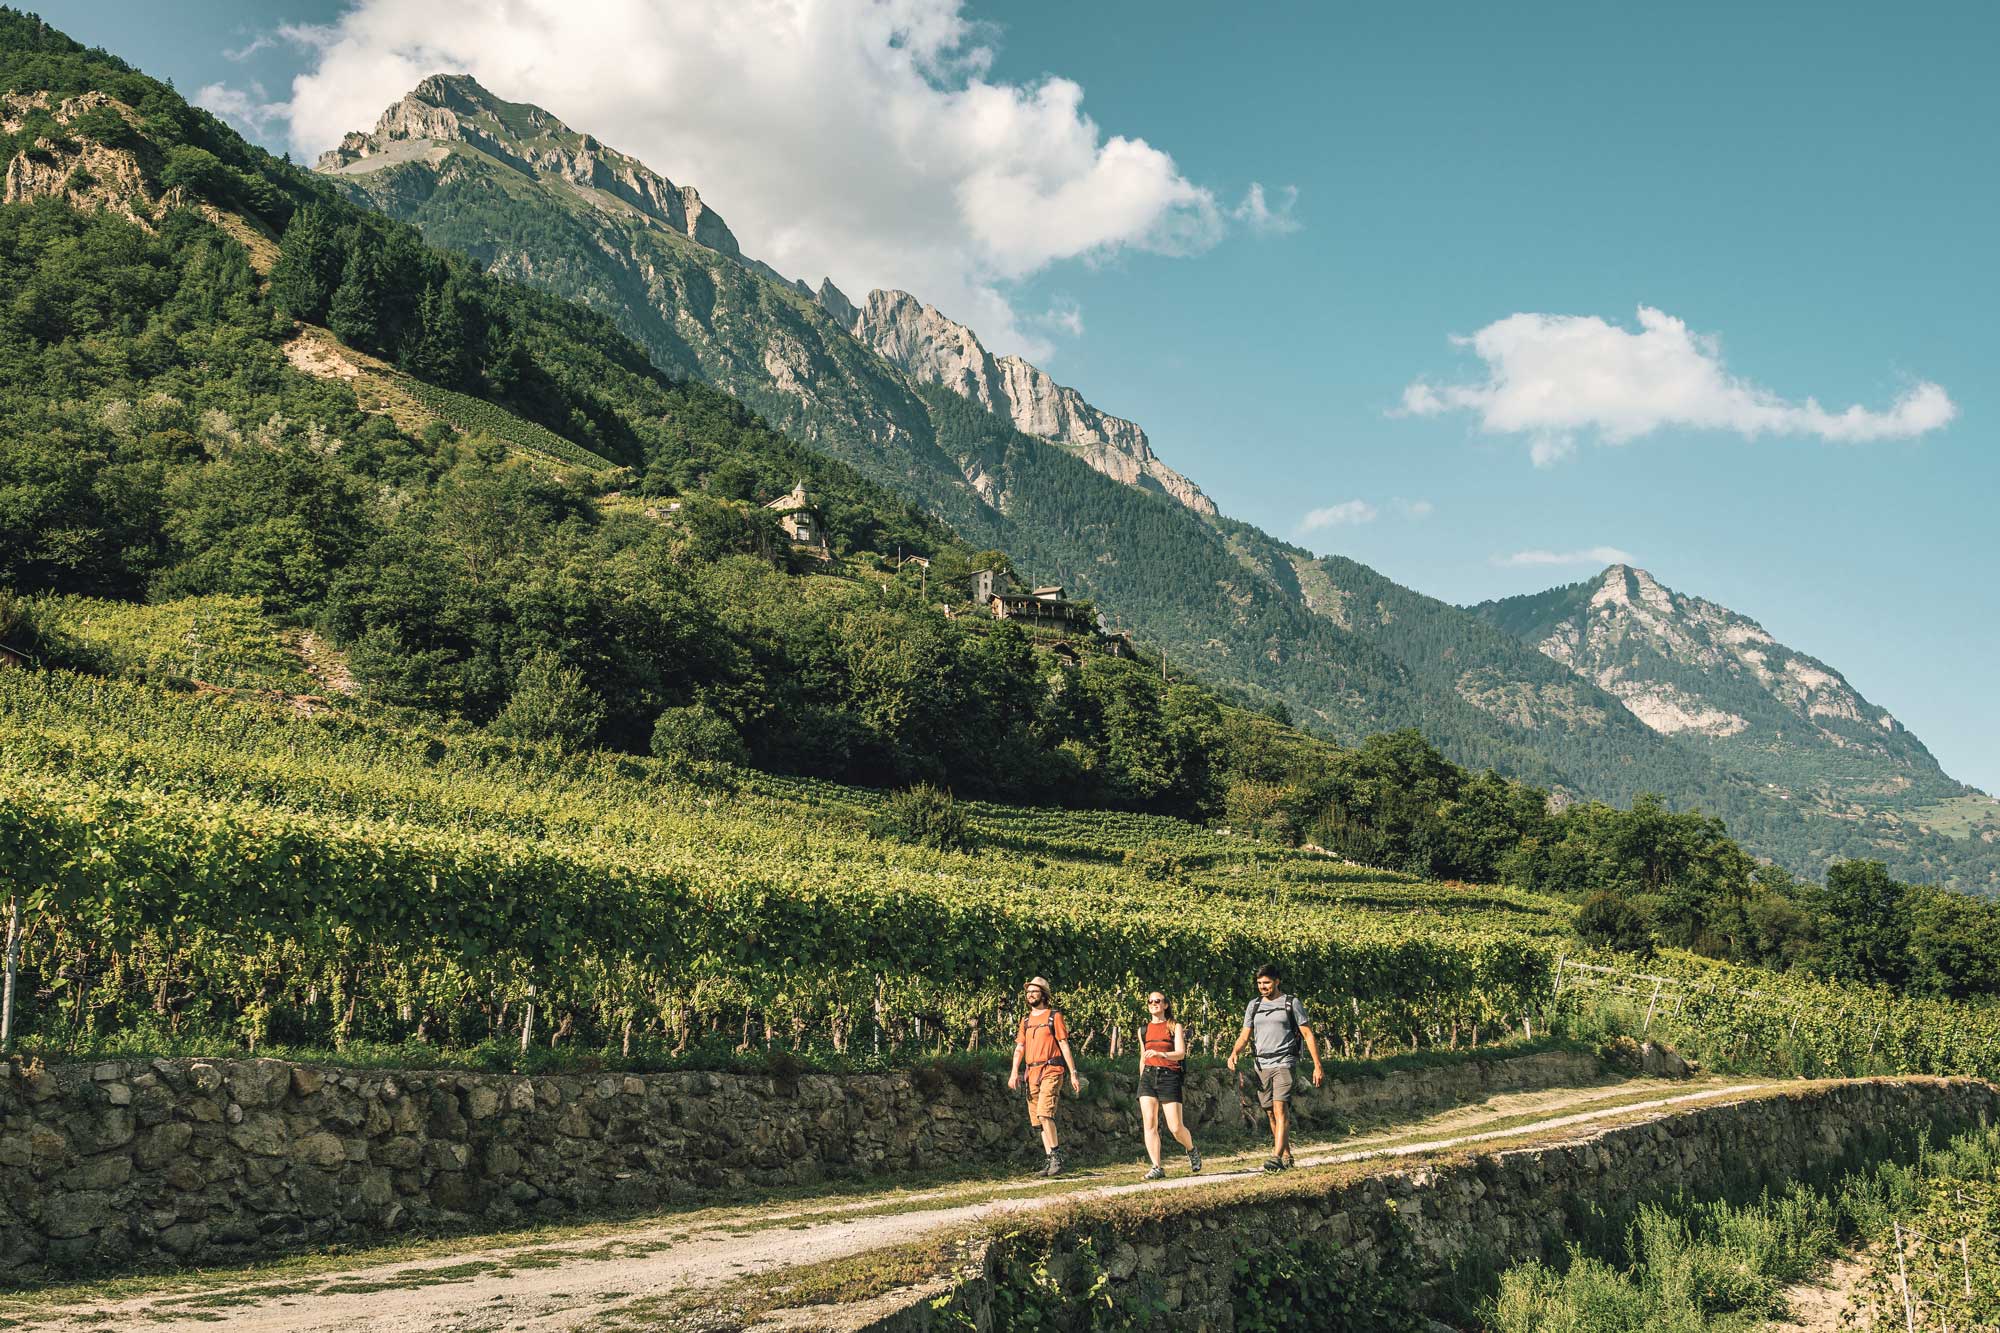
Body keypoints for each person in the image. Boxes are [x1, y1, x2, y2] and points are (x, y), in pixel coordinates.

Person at [1226, 963, 1324, 1171]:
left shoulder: (1291, 1003)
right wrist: (1235, 1053)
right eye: (1260, 983)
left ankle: (1276, 1156)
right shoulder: (1254, 1006)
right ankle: (1287, 1154)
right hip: (1262, 1064)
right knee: (1270, 1112)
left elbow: (1307, 1034)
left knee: (1281, 1108)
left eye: (1267, 983)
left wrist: (1317, 1065)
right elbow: (1245, 1035)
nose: (1263, 987)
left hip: (1284, 1061)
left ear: (1277, 981)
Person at [1006, 975, 1081, 1176]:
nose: (1030, 994)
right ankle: (1049, 1160)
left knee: (1044, 1113)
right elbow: (1019, 1047)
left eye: (1034, 991)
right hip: (1032, 1073)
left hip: (1052, 1070)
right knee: (1037, 1121)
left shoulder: (1054, 1016)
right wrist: (1014, 1072)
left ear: (1044, 994)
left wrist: (1073, 1073)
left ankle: (1056, 1156)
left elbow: (1064, 1044)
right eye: (1028, 992)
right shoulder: (1026, 1020)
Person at [1136, 990, 1201, 1180]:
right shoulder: (1143, 1030)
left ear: (1166, 1005)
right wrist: (1142, 1079)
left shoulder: (1174, 1026)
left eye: (1158, 1001)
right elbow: (1143, 1056)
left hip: (1169, 1076)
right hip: (1148, 1077)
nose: (1154, 1003)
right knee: (1150, 1123)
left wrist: (1161, 1054)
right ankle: (1156, 1166)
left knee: (1175, 1127)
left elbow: (1180, 1053)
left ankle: (1191, 1149)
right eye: (1150, 1001)